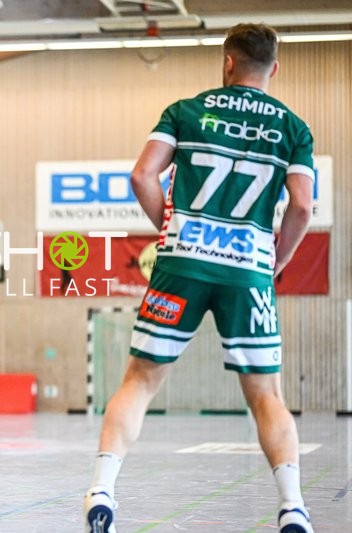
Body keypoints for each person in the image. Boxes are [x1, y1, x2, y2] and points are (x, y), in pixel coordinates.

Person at [83, 24, 315, 533]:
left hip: (182, 260)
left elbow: (142, 176)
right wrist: (274, 260)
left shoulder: (184, 111)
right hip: (249, 271)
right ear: (273, 69)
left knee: (140, 381)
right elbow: (302, 205)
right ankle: (293, 506)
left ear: (227, 62)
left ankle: (101, 492)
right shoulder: (294, 129)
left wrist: (171, 229)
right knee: (265, 394)